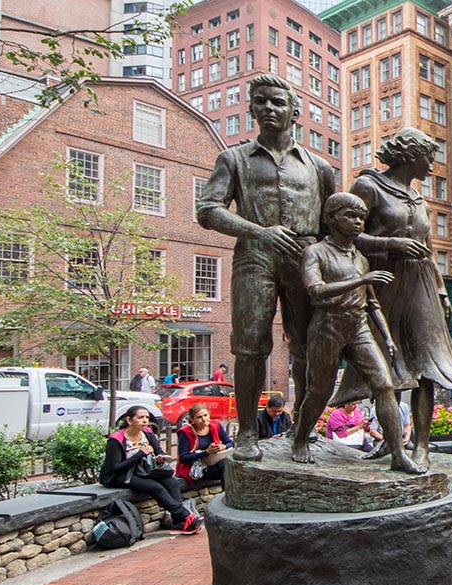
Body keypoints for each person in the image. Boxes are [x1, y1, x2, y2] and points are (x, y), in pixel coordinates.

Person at [197, 73, 336, 462]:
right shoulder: (234, 158)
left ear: (294, 111)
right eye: (261, 102)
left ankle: (304, 428)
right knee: (250, 346)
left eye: (277, 102)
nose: (269, 108)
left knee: (308, 346)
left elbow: (331, 224)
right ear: (252, 110)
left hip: (306, 257)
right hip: (254, 256)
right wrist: (259, 231)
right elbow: (207, 210)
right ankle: (246, 433)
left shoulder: (319, 167)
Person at [332, 128, 452, 468]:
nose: (432, 166)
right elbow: (344, 235)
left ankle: (421, 445)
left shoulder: (419, 200)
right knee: (388, 362)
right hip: (384, 281)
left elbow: (427, 250)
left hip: (421, 282)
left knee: (427, 364)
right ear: (410, 156)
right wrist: (390, 245)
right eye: (428, 158)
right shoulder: (369, 186)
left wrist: (441, 290)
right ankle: (391, 440)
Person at [291, 193, 421, 473]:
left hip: (359, 325)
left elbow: (372, 303)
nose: (358, 222)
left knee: (384, 386)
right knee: (319, 391)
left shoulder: (360, 258)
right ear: (331, 218)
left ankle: (398, 453)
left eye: (361, 217)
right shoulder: (315, 252)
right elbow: (315, 290)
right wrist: (360, 280)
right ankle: (300, 439)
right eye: (350, 216)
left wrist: (387, 337)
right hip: (327, 325)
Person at [99, 405, 202, 534]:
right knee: (156, 488)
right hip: (121, 475)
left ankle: (178, 522)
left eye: (147, 417)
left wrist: (161, 458)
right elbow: (115, 468)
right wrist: (140, 454)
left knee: (172, 483)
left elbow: (159, 451)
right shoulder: (116, 440)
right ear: (129, 420)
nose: (145, 420)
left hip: (144, 470)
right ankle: (185, 515)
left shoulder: (147, 433)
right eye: (140, 417)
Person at [176, 403, 234, 484]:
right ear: (192, 420)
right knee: (225, 467)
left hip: (214, 463)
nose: (204, 419)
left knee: (228, 465)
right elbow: (183, 458)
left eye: (205, 415)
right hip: (196, 469)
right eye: (199, 417)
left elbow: (230, 443)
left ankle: (228, 490)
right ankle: (228, 491)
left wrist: (223, 447)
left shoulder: (215, 425)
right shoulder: (186, 432)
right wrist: (206, 452)